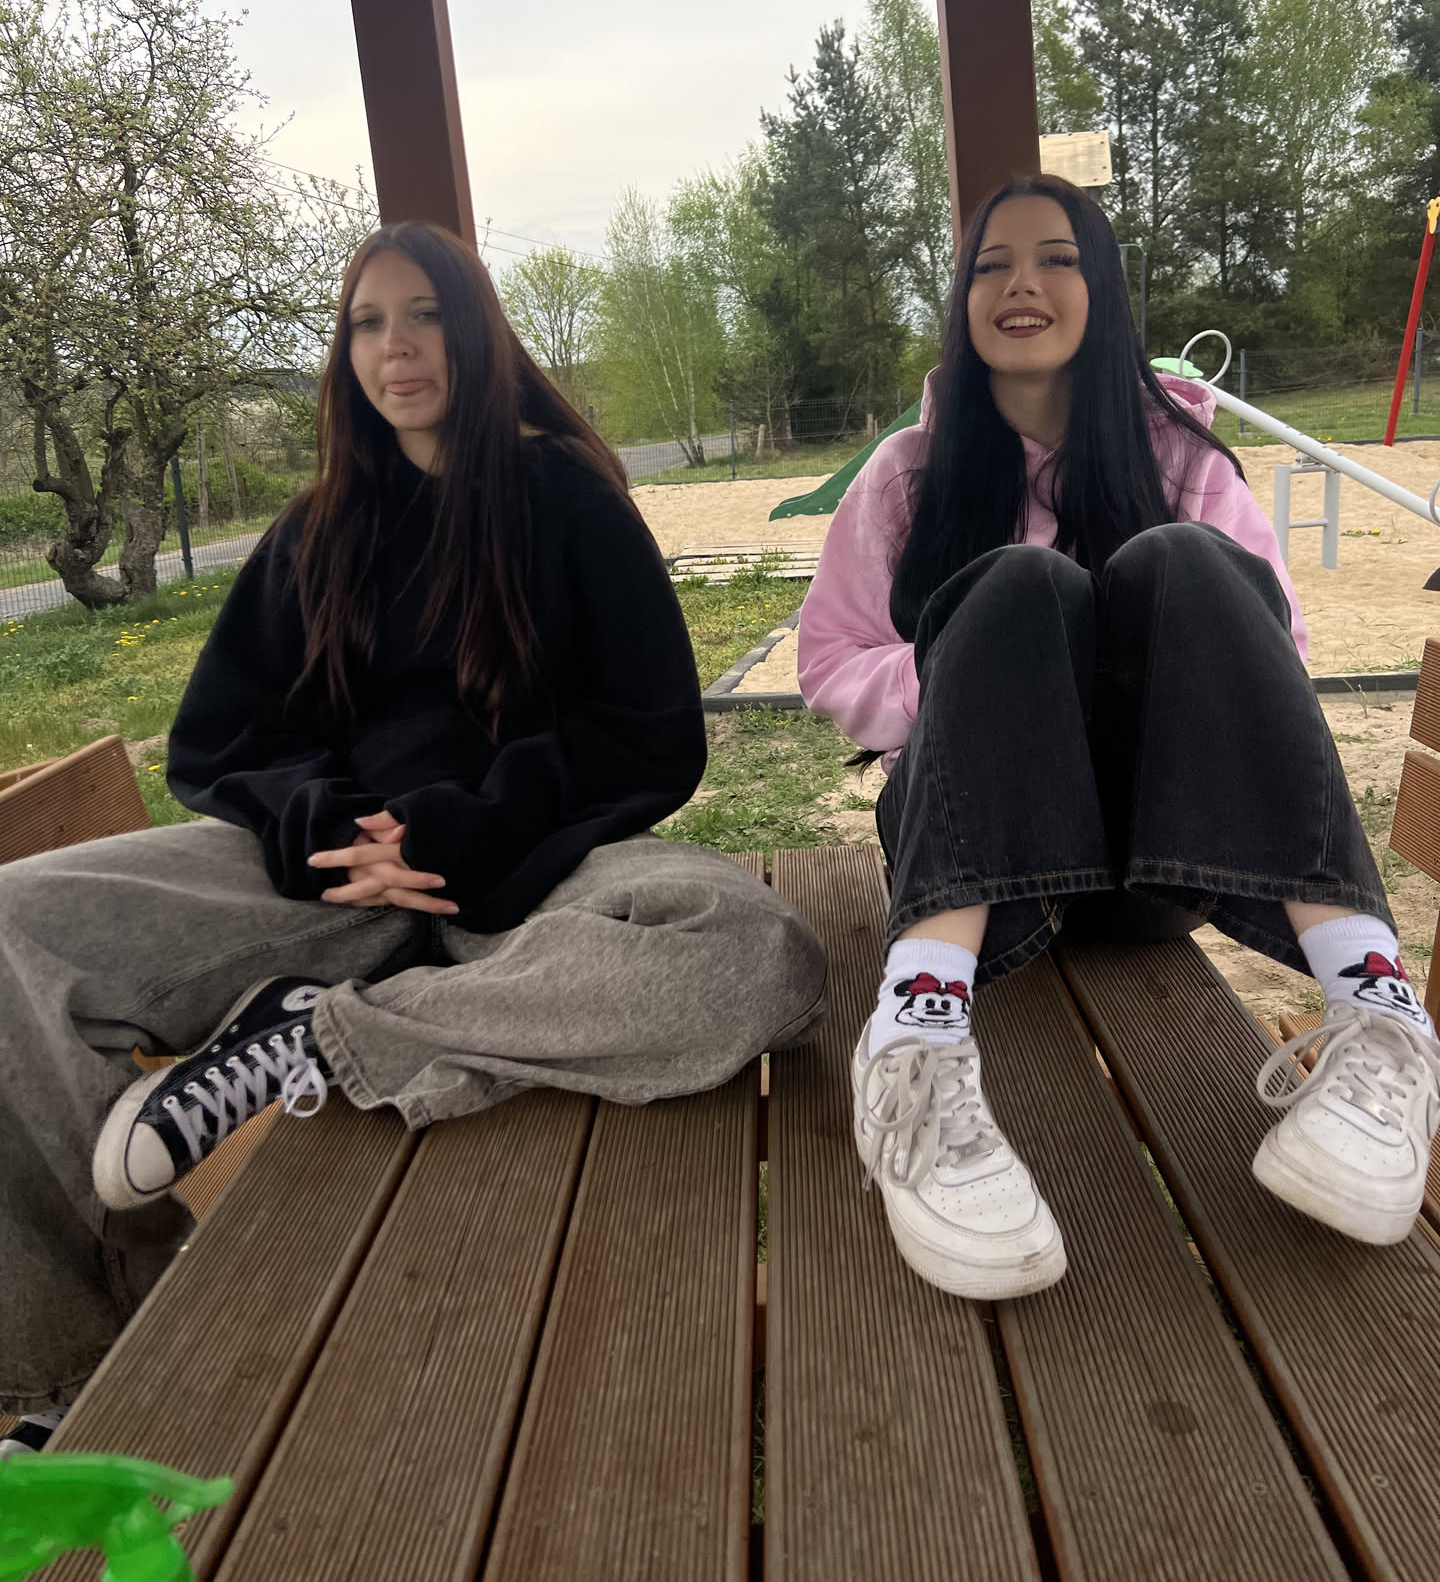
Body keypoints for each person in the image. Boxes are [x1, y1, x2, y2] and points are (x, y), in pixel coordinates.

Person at [0, 221, 826, 1449]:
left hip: (532, 877)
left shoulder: (568, 500)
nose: (398, 346)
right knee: (14, 925)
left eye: (426, 314)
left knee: (756, 952)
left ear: (476, 330)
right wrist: (320, 820)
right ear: (345, 355)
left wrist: (481, 822)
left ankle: (319, 1039)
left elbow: (650, 733)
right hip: (327, 885)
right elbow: (224, 738)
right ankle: (90, 1365)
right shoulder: (315, 530)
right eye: (369, 323)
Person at [798, 173, 1440, 1302]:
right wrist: (980, 675)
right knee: (1016, 586)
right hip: (974, 868)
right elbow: (831, 658)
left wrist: (1118, 669)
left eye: (1057, 258)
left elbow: (1274, 644)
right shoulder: (906, 474)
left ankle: (1380, 1016)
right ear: (961, 299)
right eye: (992, 264)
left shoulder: (1181, 458)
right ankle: (912, 1045)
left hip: (1154, 858)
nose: (1022, 284)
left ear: (1102, 289)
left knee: (1185, 562)